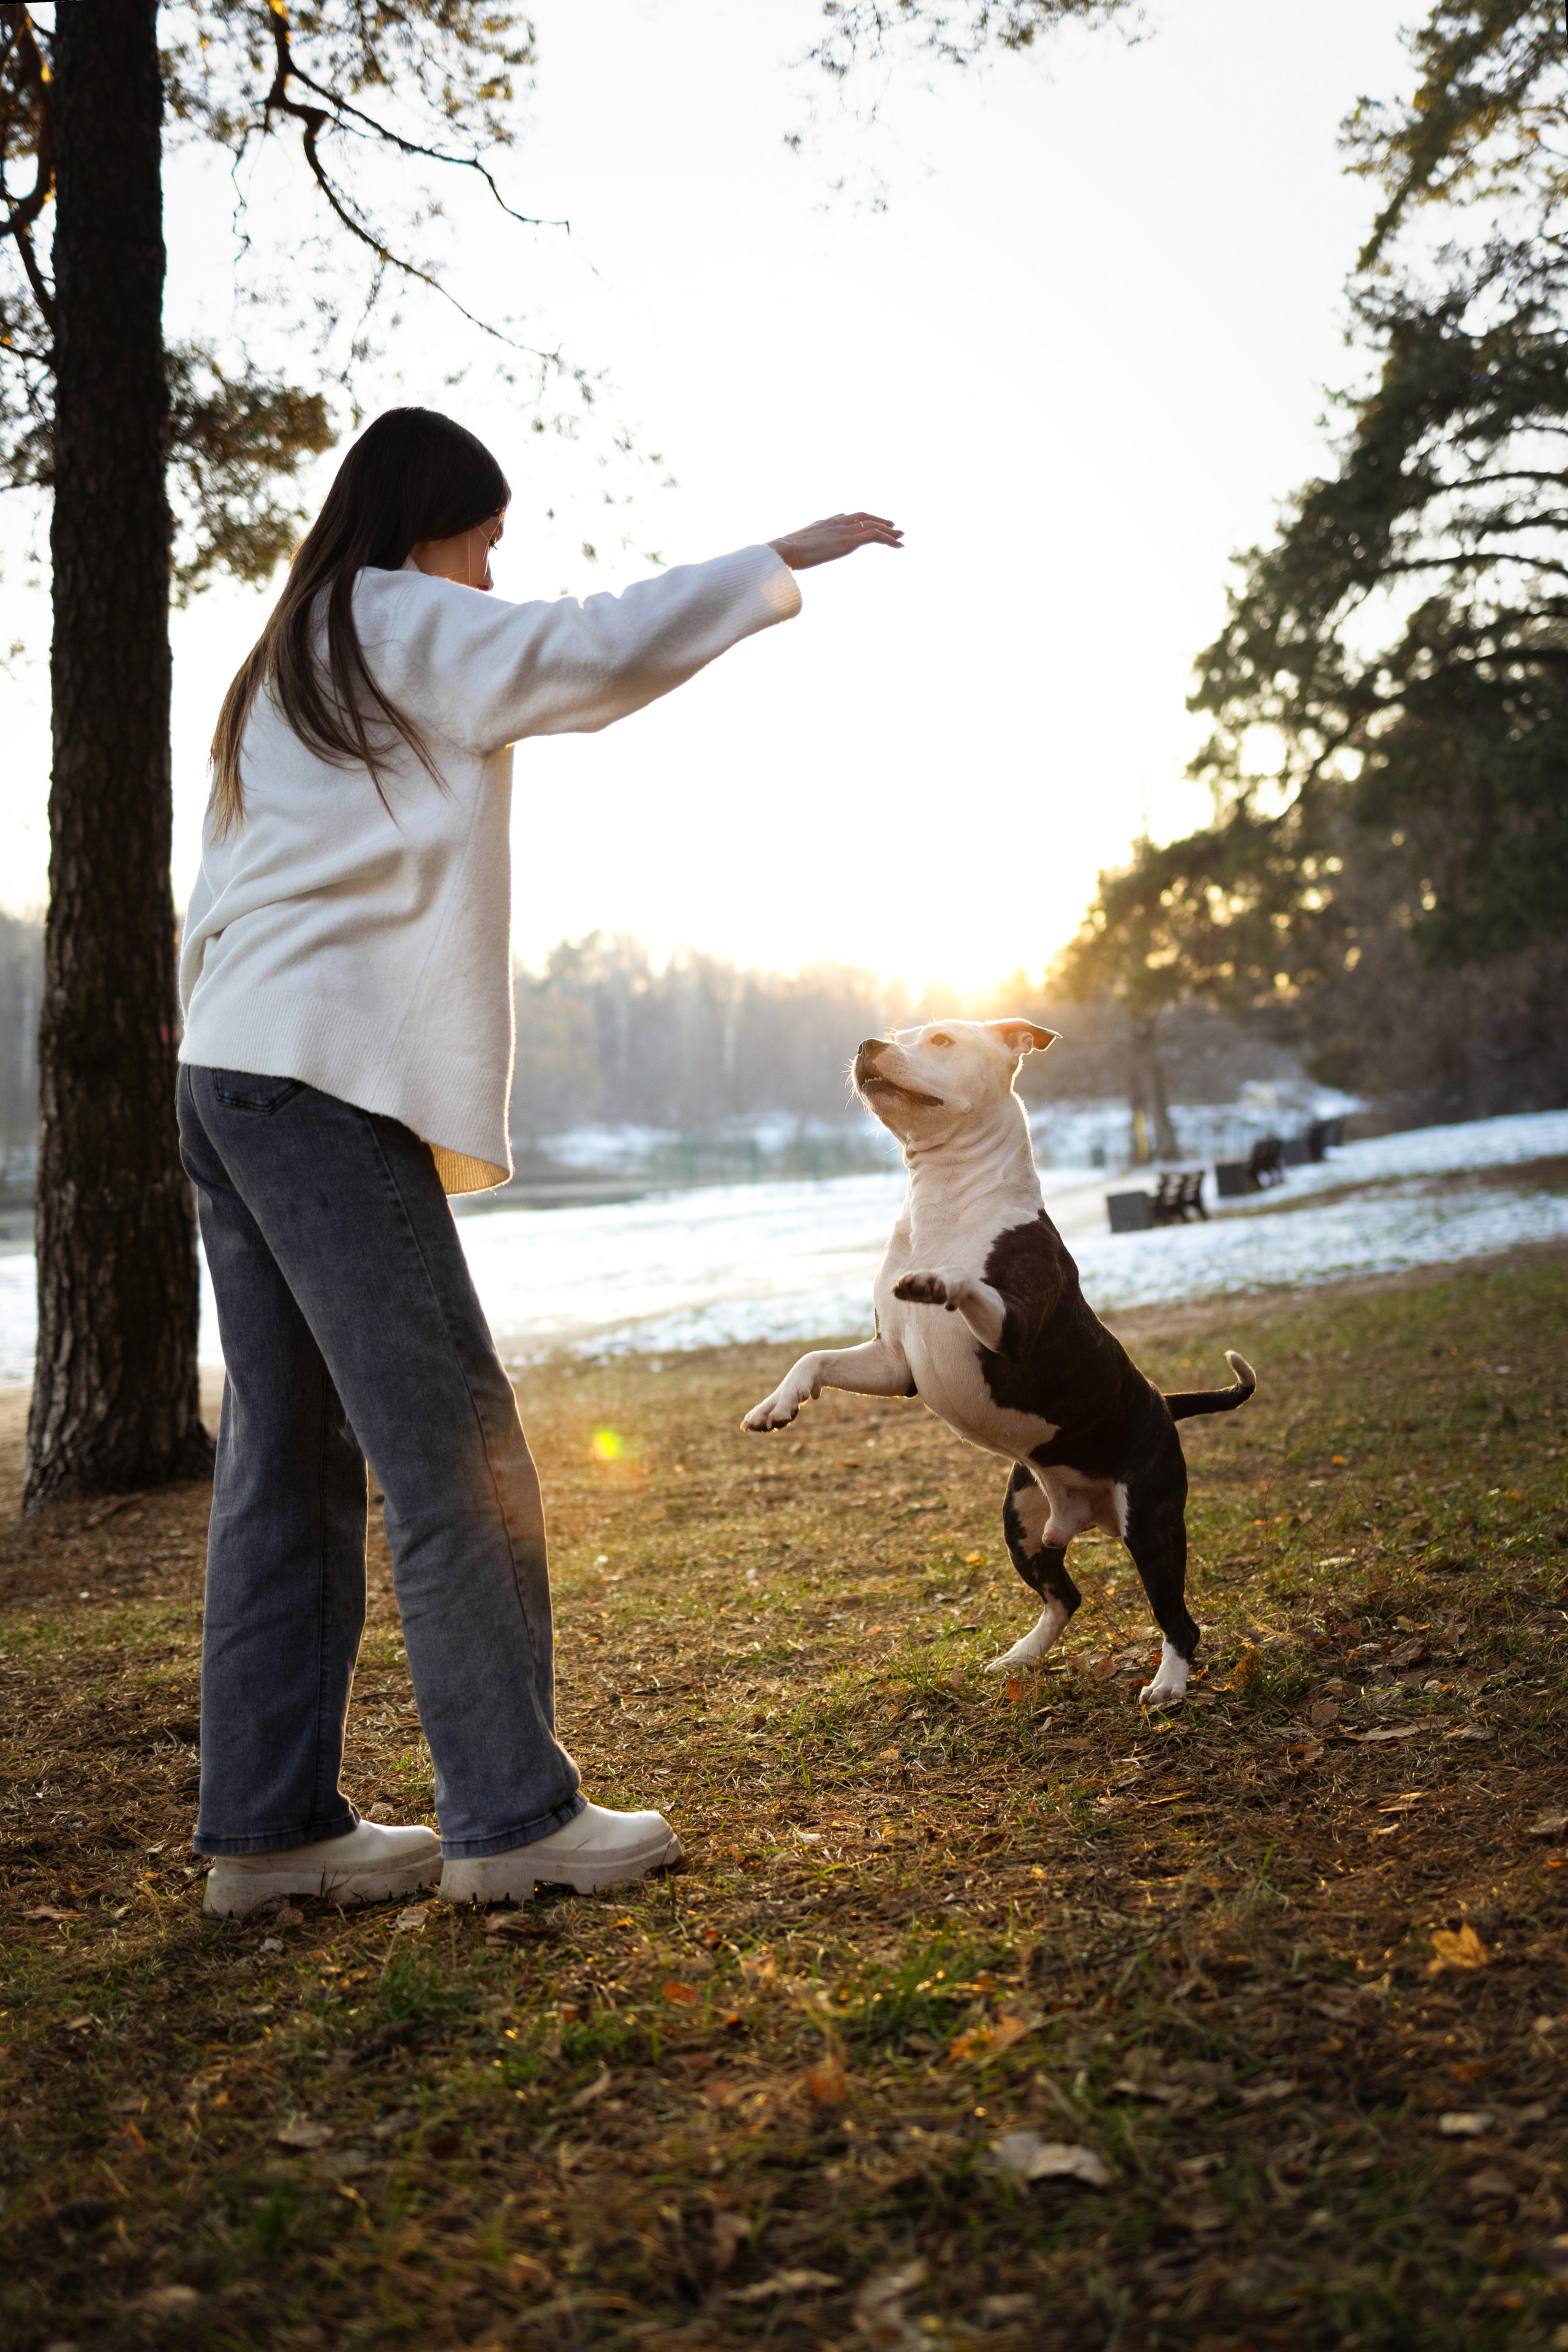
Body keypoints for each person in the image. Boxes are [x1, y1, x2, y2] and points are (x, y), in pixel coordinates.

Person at [176, 405, 900, 1917]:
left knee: (289, 1462)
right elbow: (580, 652)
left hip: (232, 1075)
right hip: (314, 1085)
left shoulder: (285, 658)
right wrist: (775, 561)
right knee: (457, 1452)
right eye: (485, 537)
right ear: (429, 523)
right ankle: (509, 1818)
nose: (491, 574)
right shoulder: (393, 616)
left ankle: (269, 1831)